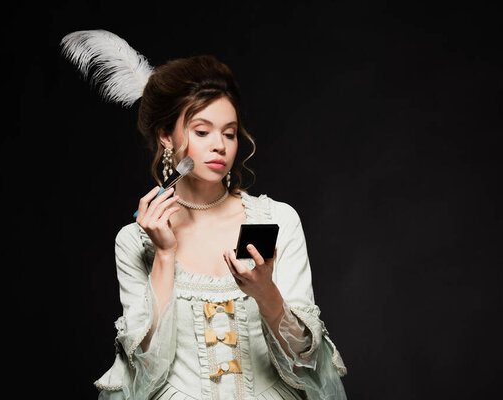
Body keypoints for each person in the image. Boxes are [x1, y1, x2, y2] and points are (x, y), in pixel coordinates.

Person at [61, 30, 347, 400]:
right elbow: (145, 374)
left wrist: (265, 293)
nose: (219, 145)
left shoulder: (270, 221)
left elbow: (305, 363)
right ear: (166, 135)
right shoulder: (135, 240)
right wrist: (163, 254)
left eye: (229, 133)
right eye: (201, 130)